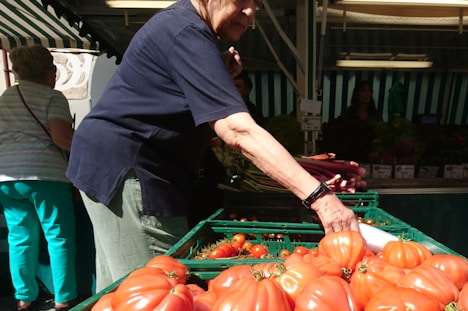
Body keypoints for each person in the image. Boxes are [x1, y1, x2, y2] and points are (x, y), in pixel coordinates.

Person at [67, 0, 359, 292]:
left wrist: (217, 72)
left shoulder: (186, 30)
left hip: (117, 163)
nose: (249, 11)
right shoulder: (186, 32)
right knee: (157, 295)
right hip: (132, 168)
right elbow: (236, 129)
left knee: (118, 294)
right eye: (240, 0)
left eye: (255, 2)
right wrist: (320, 197)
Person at [0, 44, 80, 311]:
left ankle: (24, 298)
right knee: (58, 235)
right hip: (45, 174)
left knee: (19, 236)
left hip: (7, 176)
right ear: (48, 71)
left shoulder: (4, 98)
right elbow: (62, 138)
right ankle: (64, 298)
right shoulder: (52, 97)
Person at [319, 80, 382, 163]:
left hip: (369, 159)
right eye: (363, 90)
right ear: (357, 94)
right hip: (351, 157)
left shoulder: (375, 116)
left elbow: (380, 137)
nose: (367, 93)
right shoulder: (349, 115)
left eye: (369, 90)